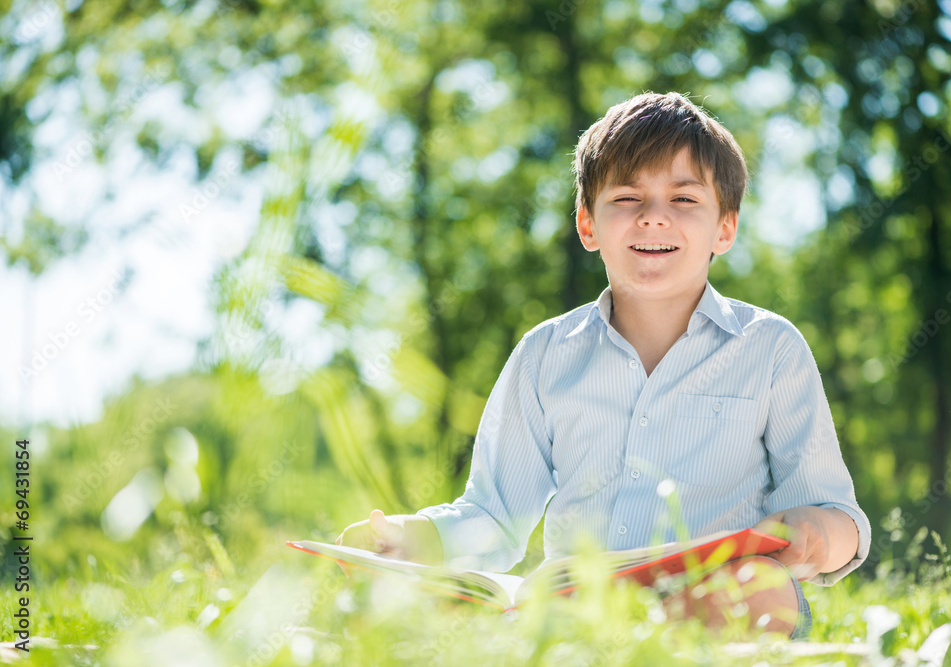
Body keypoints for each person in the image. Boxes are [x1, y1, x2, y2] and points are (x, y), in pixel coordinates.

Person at [335, 91, 871, 639]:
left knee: (760, 586)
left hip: (713, 594)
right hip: (578, 603)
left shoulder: (770, 348)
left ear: (725, 229)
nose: (653, 218)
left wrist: (818, 533)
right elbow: (494, 513)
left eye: (684, 200)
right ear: (588, 225)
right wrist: (410, 537)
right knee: (411, 603)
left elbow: (836, 512)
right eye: (627, 197)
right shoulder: (545, 355)